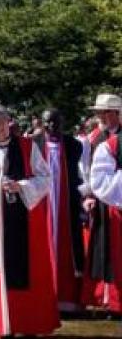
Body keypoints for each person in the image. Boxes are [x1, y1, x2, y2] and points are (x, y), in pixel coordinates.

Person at [0, 103, 59, 337]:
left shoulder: (27, 147)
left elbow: (46, 178)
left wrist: (21, 186)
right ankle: (3, 326)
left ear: (6, 122)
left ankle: (26, 324)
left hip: (21, 222)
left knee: (22, 273)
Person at [39, 108, 87, 313]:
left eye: (55, 122)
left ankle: (67, 300)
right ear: (41, 124)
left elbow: (84, 173)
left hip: (67, 206)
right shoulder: (33, 145)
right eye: (47, 122)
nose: (51, 126)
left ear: (62, 122)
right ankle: (43, 298)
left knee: (69, 247)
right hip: (42, 205)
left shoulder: (75, 146)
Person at [83, 93, 122, 313]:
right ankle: (105, 298)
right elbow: (87, 171)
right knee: (102, 251)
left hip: (117, 202)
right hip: (101, 202)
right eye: (98, 112)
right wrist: (88, 195)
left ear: (116, 113)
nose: (100, 116)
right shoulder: (95, 138)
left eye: (104, 112)